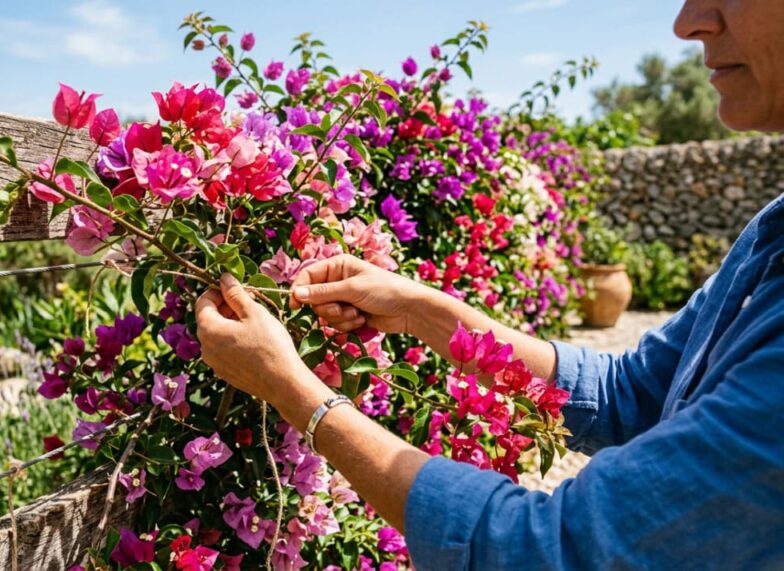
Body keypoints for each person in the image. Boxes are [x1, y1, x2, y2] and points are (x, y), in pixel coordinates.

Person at [195, 0, 784, 568]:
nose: (688, 22)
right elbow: (631, 395)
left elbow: (552, 551)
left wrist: (295, 392)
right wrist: (416, 307)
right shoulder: (772, 232)